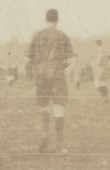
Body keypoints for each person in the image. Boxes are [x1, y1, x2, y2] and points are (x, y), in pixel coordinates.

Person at [26, 9, 75, 154]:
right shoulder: (62, 36)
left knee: (44, 105)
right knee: (58, 106)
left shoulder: (37, 35)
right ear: (57, 20)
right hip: (57, 72)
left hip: (41, 73)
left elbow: (28, 58)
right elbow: (71, 59)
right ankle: (59, 146)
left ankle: (45, 133)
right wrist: (61, 66)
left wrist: (38, 66)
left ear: (46, 19)